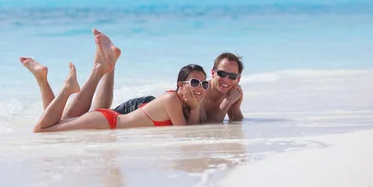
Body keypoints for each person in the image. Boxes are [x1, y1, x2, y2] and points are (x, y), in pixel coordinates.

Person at [20, 32, 207, 133]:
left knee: (54, 126)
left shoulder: (183, 105)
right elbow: (184, 134)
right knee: (42, 131)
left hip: (107, 122)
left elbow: (190, 129)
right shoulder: (172, 99)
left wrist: (194, 107)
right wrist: (195, 107)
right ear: (181, 84)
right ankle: (67, 89)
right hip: (106, 121)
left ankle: (44, 79)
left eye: (204, 84)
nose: (200, 87)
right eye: (195, 82)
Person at [113, 52, 244, 123]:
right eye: (222, 73)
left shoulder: (233, 92)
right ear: (213, 73)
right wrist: (227, 102)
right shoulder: (202, 89)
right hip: (145, 107)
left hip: (161, 117)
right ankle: (106, 67)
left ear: (238, 78)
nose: (226, 79)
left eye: (232, 76)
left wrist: (235, 106)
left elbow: (236, 121)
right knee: (101, 114)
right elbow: (211, 123)